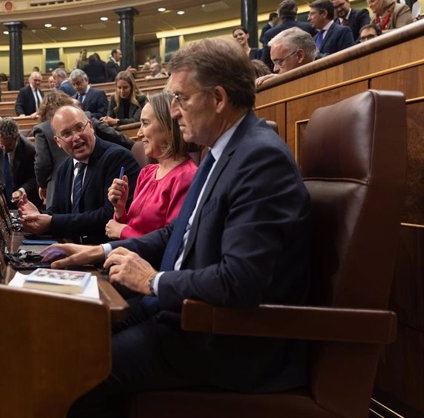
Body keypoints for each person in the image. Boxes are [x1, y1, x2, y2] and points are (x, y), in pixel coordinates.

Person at [47, 38, 311, 418]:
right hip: (182, 318)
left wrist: (153, 281)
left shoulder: (260, 158)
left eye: (181, 99)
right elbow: (178, 233)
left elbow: (240, 280)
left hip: (226, 341)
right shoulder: (220, 151)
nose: (174, 112)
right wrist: (99, 252)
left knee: (74, 368)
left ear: (218, 98)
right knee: (74, 336)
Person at [18, 105, 140, 244]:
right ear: (58, 141)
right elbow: (59, 213)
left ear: (91, 126)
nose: (76, 137)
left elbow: (109, 215)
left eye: (79, 127)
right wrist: (38, 215)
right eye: (66, 133)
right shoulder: (64, 169)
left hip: (107, 255)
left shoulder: (118, 158)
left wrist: (52, 221)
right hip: (73, 253)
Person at [105, 92, 197, 240]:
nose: (139, 133)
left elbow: (172, 242)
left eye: (145, 123)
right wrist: (120, 210)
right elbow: (132, 230)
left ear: (168, 126)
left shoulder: (186, 177)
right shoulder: (147, 172)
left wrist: (122, 231)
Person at [33, 91, 75, 206]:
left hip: (58, 187)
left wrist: (42, 185)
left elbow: (42, 163)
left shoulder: (42, 129)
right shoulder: (81, 120)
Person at [260, 0, 317, 70]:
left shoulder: (269, 33)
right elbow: (315, 53)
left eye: (280, 61)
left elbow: (265, 62)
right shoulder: (308, 27)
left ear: (279, 15)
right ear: (295, 12)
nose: (276, 68)